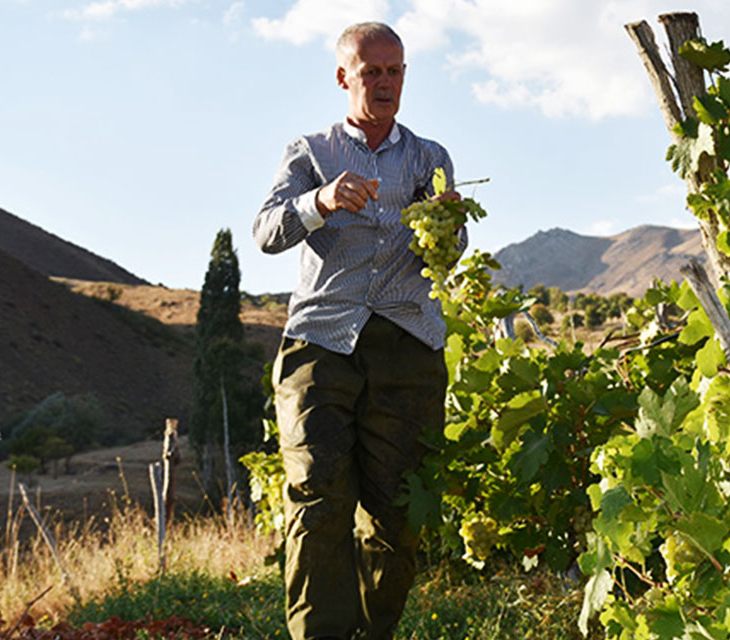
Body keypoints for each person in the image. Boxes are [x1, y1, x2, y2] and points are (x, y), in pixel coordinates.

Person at [252, 21, 463, 640]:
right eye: (372, 72)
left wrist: (450, 228)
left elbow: (446, 257)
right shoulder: (309, 152)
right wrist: (320, 201)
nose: (385, 82)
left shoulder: (432, 159)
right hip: (321, 345)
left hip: (408, 346)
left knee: (399, 512)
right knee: (318, 503)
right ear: (344, 77)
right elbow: (265, 233)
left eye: (395, 71)